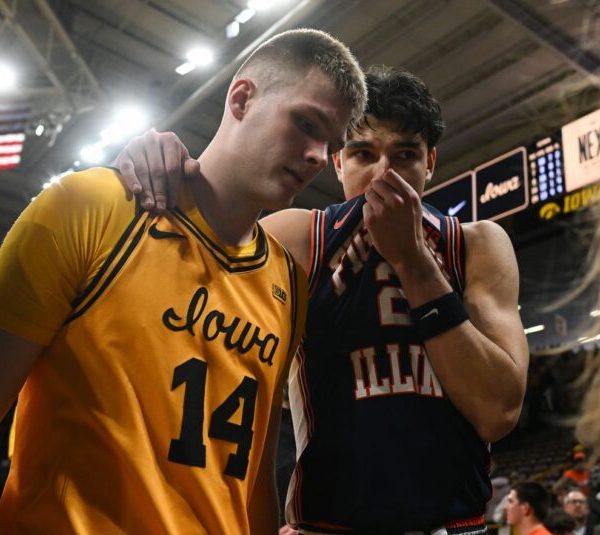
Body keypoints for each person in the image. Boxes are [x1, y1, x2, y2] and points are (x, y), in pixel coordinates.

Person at [116, 65, 529, 532]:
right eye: (363, 154)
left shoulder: (476, 243)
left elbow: (498, 412)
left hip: (454, 525)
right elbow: (177, 308)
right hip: (328, 524)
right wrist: (162, 171)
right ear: (338, 163)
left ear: (430, 162)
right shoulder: (299, 236)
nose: (383, 173)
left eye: (405, 154)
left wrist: (413, 260)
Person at [0, 29, 366, 533]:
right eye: (306, 124)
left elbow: (254, 475)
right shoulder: (91, 208)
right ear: (242, 98)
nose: (318, 156)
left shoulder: (287, 284)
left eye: (332, 144)